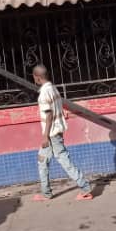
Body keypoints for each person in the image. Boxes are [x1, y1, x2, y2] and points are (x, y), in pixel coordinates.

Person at [30, 65, 92, 201]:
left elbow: (49, 114)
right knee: (42, 160)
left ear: (37, 77)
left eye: (34, 76)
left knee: (63, 160)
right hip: (56, 132)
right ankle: (46, 193)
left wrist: (45, 136)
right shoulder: (53, 89)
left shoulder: (44, 94)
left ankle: (85, 188)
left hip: (51, 134)